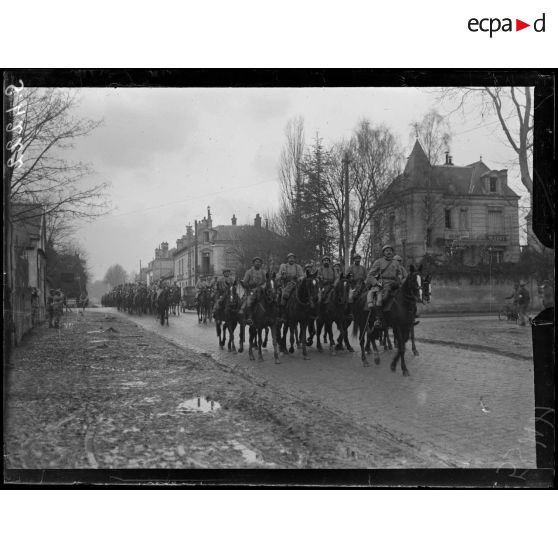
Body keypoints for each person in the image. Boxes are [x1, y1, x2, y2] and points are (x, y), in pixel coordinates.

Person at [366, 245, 407, 328]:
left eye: (390, 250)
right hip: (382, 284)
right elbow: (370, 275)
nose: (389, 252)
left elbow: (399, 273)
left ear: (392, 252)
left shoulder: (395, 262)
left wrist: (399, 279)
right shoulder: (378, 261)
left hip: (394, 284)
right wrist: (376, 283)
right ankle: (378, 319)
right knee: (381, 299)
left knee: (406, 295)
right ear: (383, 252)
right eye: (386, 250)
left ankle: (407, 316)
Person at [239, 257, 267, 324]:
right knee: (249, 301)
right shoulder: (249, 272)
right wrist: (247, 285)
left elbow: (266, 281)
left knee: (271, 299)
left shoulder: (263, 272)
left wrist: (263, 287)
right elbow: (245, 282)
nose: (258, 263)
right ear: (253, 263)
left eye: (259, 262)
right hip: (251, 290)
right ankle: (249, 317)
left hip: (262, 290)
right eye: (256, 262)